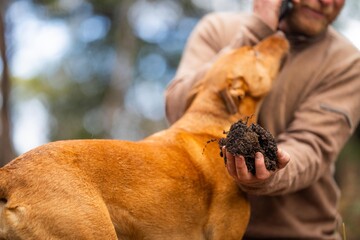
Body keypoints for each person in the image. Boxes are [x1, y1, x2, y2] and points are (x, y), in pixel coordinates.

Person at [165, 0, 360, 239]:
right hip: (201, 231)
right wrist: (255, 33)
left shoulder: (347, 63)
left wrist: (271, 169)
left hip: (296, 234)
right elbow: (176, 109)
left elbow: (311, 146)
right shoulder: (218, 30)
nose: (327, 2)